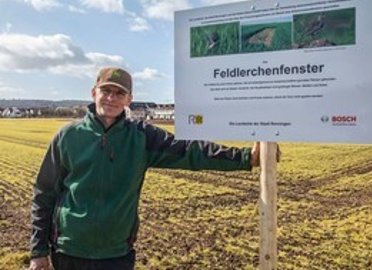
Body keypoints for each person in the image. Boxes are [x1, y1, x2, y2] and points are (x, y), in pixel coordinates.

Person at [28, 67, 271, 270]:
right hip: (69, 251)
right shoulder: (67, 137)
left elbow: (189, 151)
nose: (111, 98)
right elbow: (44, 193)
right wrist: (38, 250)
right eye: (106, 91)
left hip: (116, 254)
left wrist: (245, 158)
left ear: (128, 100)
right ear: (94, 93)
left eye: (119, 93)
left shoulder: (142, 137)